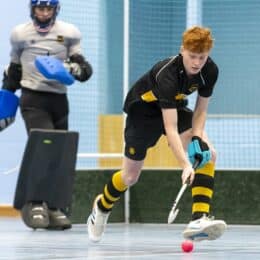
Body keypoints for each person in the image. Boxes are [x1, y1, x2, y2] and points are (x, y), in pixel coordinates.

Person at [87, 26, 227, 242]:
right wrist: (185, 165)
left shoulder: (210, 71)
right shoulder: (168, 75)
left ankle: (199, 218)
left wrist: (197, 138)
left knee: (209, 153)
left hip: (175, 107)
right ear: (182, 50)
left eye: (202, 57)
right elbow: (170, 128)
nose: (197, 63)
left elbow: (201, 110)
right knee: (130, 177)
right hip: (142, 113)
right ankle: (102, 205)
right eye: (192, 56)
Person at [2, 0, 92, 230]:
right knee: (44, 146)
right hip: (33, 98)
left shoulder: (69, 33)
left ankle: (54, 206)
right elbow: (13, 71)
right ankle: (33, 204)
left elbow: (83, 69)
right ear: (33, 10)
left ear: (55, 10)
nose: (43, 14)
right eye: (40, 9)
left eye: (48, 9)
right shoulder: (20, 34)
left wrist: (75, 69)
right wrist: (5, 105)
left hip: (59, 100)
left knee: (59, 154)